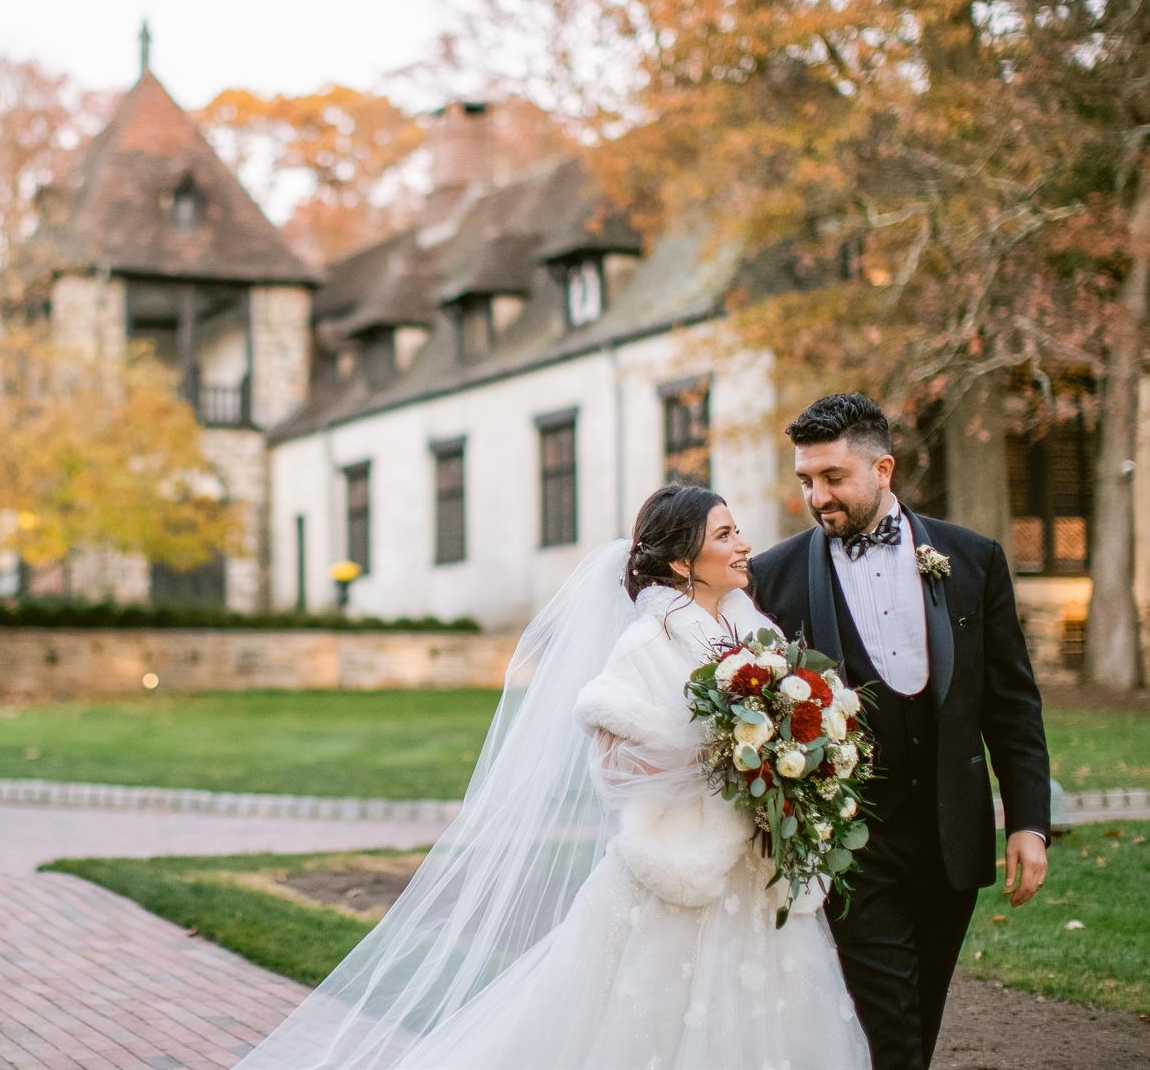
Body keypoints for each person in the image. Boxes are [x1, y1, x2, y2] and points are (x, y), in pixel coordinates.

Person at [235, 484, 871, 1070]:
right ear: (682, 561)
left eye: (737, 531)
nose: (744, 545)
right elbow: (614, 771)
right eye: (725, 535)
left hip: (760, 866)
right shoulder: (645, 646)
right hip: (681, 869)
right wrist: (728, 756)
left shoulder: (756, 629)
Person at [746, 392, 1051, 1070]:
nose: (817, 496)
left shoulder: (973, 558)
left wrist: (1029, 821)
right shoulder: (773, 577)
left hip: (952, 838)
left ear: (883, 469)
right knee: (889, 1031)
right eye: (806, 480)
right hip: (851, 846)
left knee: (920, 1018)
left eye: (833, 477)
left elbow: (1011, 704)